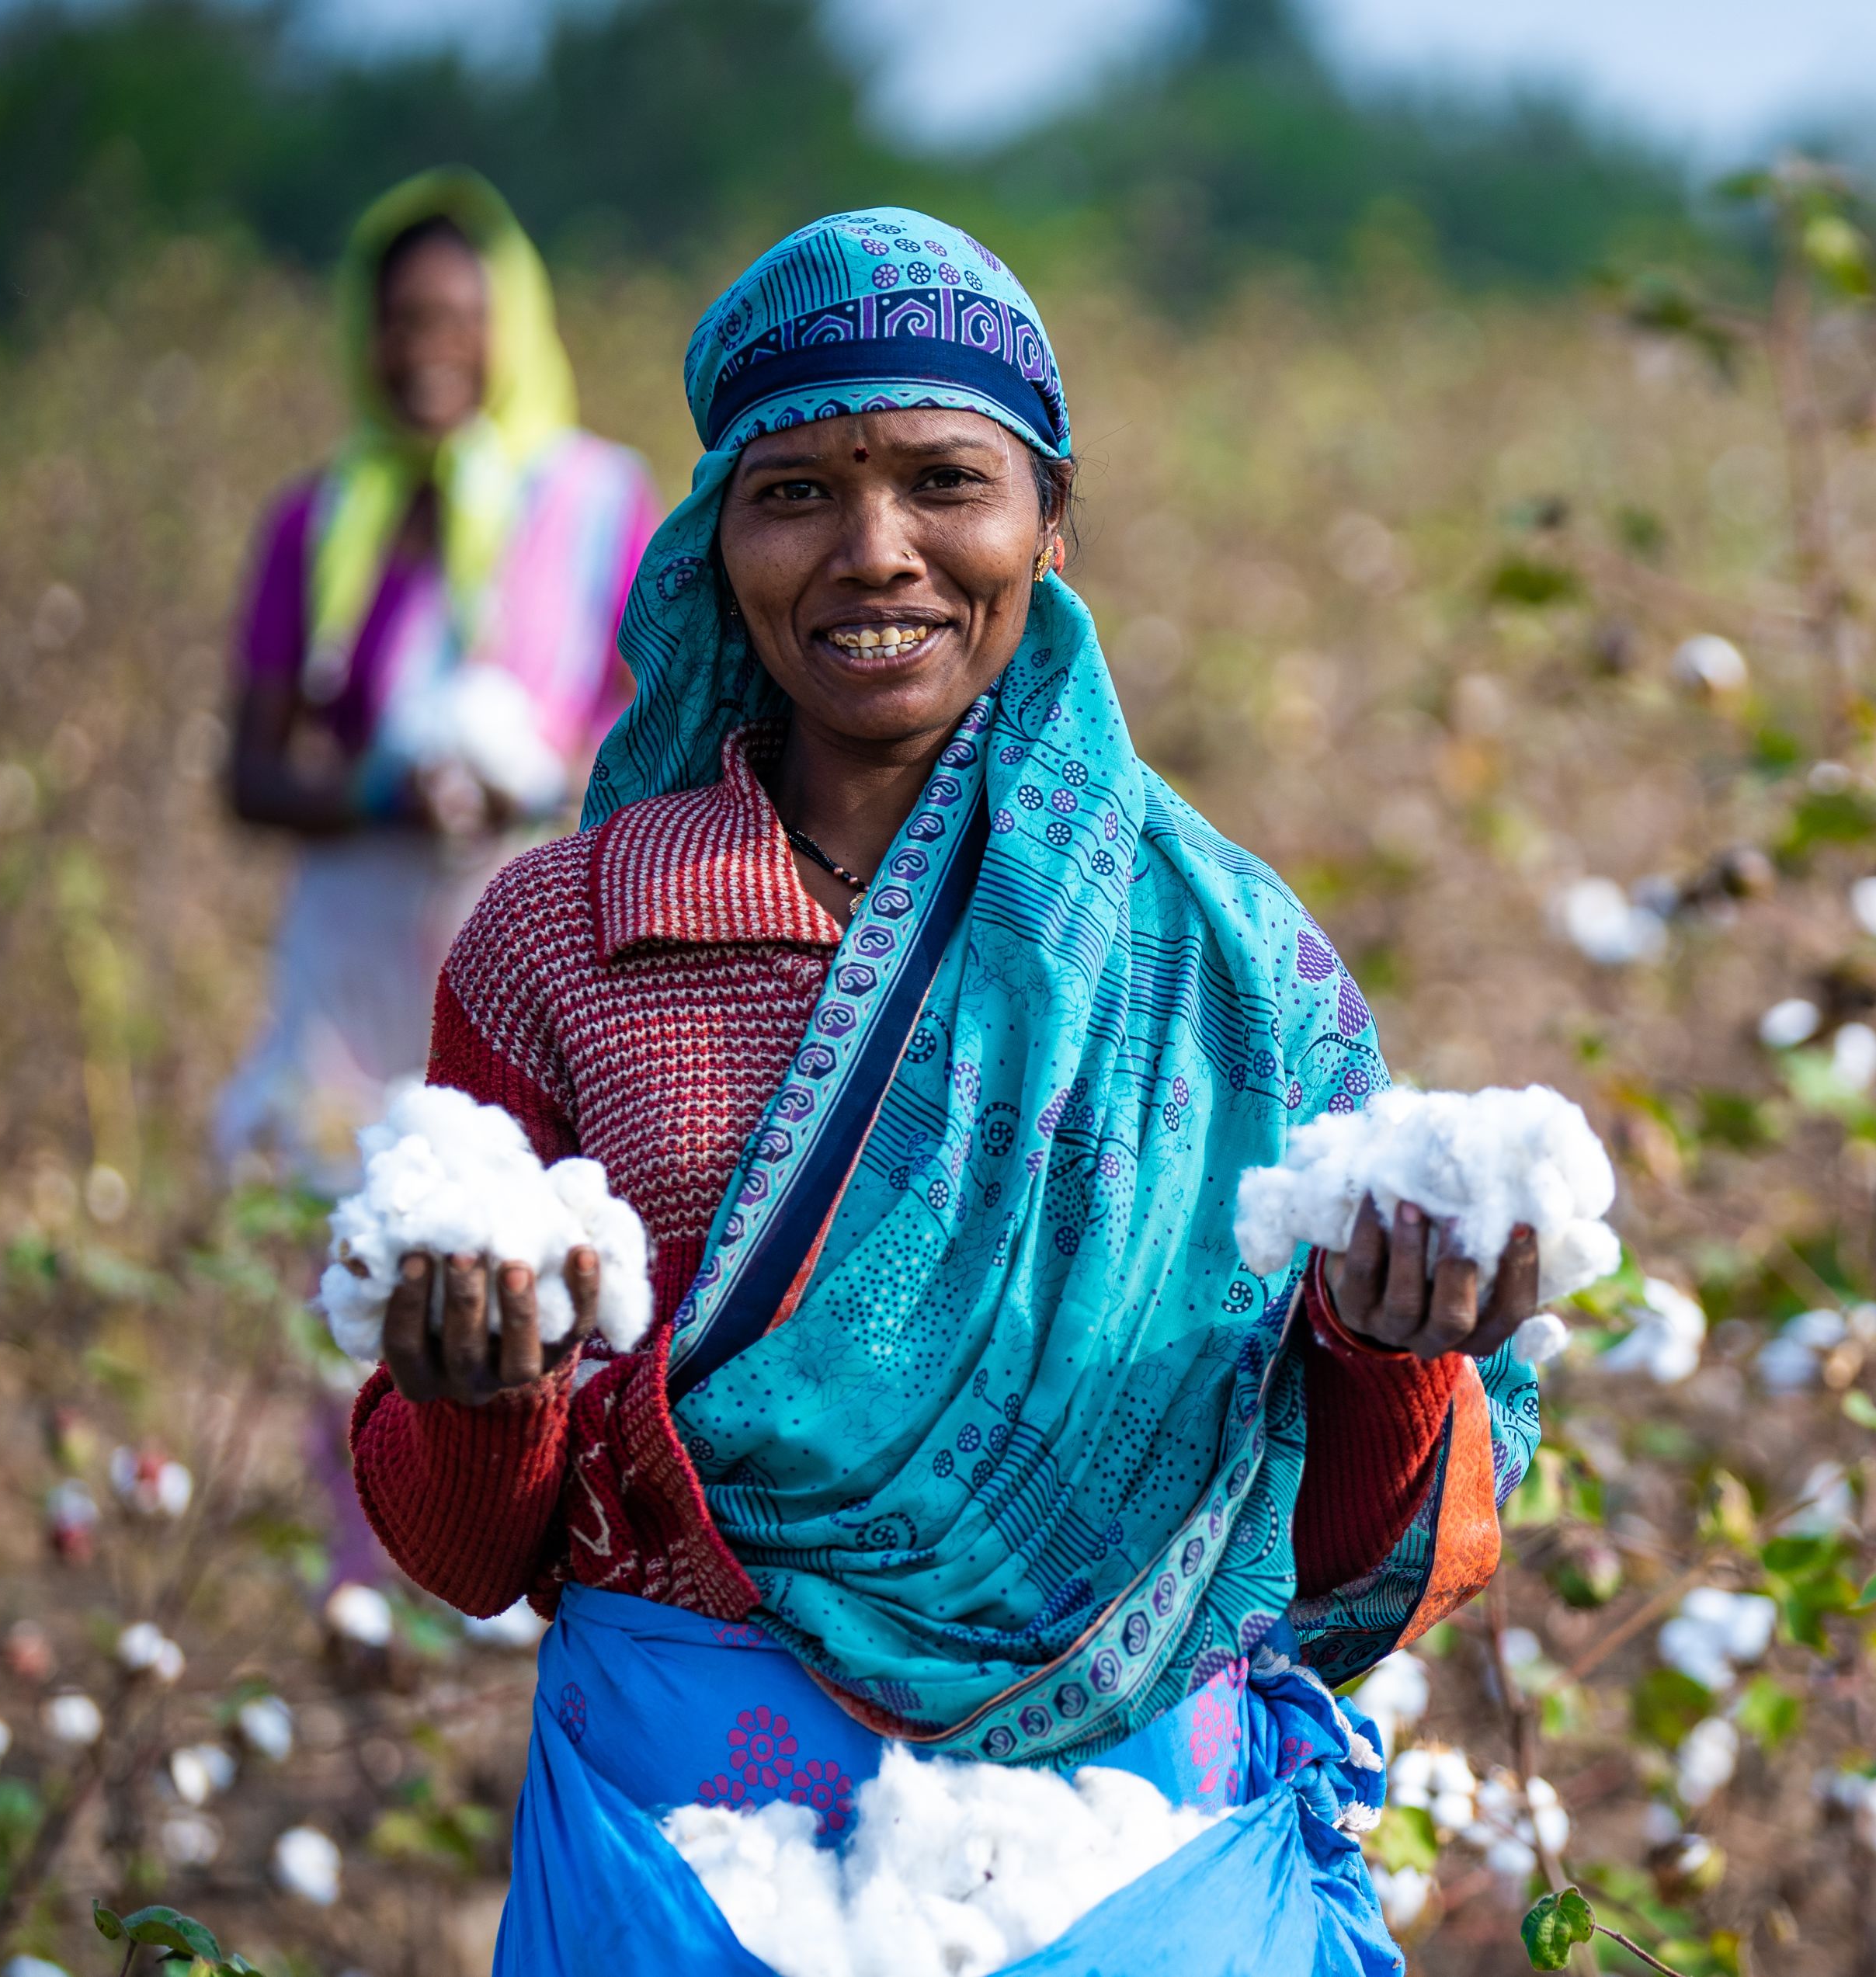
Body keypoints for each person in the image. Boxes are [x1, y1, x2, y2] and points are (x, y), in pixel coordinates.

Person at [346, 209, 1543, 1972]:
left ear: (1049, 520)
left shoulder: (1219, 962)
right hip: (693, 1858)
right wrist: (481, 1391)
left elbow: (1350, 1542)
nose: (875, 552)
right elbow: (466, 1545)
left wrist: (1394, 1344)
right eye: (796, 492)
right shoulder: (565, 942)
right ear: (715, 536)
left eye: (943, 481)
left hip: (1129, 1865)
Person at [216, 169, 657, 1190]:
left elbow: (661, 727)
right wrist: (382, 793)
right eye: (402, 321)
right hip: (355, 963)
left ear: (514, 328)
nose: (428, 349)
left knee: (520, 1214)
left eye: (460, 320)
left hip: (538, 944)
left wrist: (537, 787)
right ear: (362, 333)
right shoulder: (317, 522)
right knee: (345, 1216)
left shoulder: (596, 504)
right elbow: (250, 776)